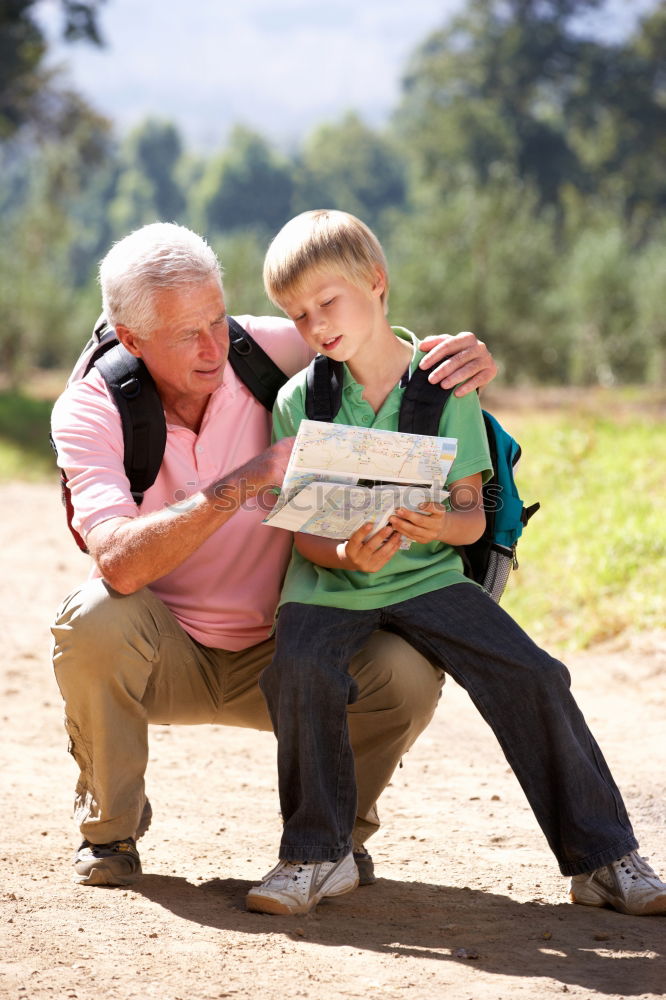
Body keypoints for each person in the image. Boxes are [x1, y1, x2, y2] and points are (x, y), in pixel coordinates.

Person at [50, 221, 498, 888]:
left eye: (217, 318)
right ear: (133, 340)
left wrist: (458, 355)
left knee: (404, 673)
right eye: (186, 335)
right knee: (90, 620)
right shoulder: (91, 409)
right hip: (164, 655)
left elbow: (374, 328)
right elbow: (118, 563)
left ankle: (336, 840)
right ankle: (110, 833)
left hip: (294, 649)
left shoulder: (264, 350)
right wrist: (244, 481)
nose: (213, 348)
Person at [246, 208, 666, 918]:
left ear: (376, 285)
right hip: (326, 585)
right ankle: (317, 855)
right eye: (298, 314)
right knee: (300, 667)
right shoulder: (299, 400)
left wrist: (440, 523)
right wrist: (347, 549)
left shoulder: (446, 390)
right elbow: (304, 534)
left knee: (534, 671)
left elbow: (472, 511)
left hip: (431, 576)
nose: (316, 325)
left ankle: (604, 859)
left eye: (328, 302)